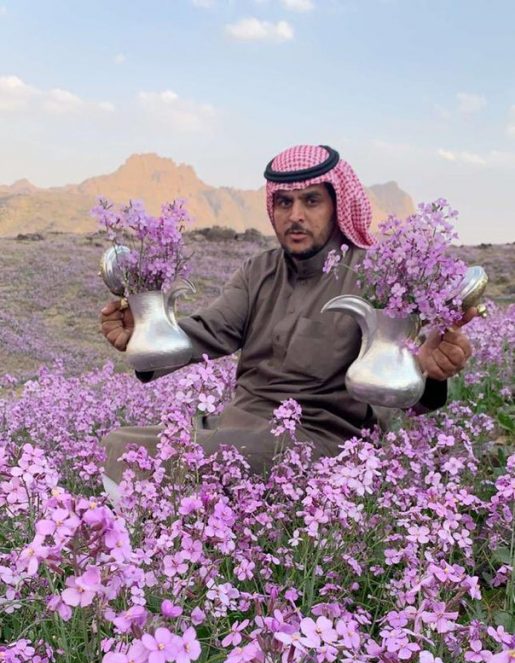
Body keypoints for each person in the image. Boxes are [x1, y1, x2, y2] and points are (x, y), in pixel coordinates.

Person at [100, 144, 473, 494]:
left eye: (311, 201)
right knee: (116, 445)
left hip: (319, 445)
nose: (295, 215)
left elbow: (403, 378)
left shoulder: (374, 277)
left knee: (199, 461)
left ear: (337, 206)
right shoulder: (257, 271)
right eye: (284, 202)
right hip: (235, 431)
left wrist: (429, 372)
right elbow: (210, 330)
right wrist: (146, 337)